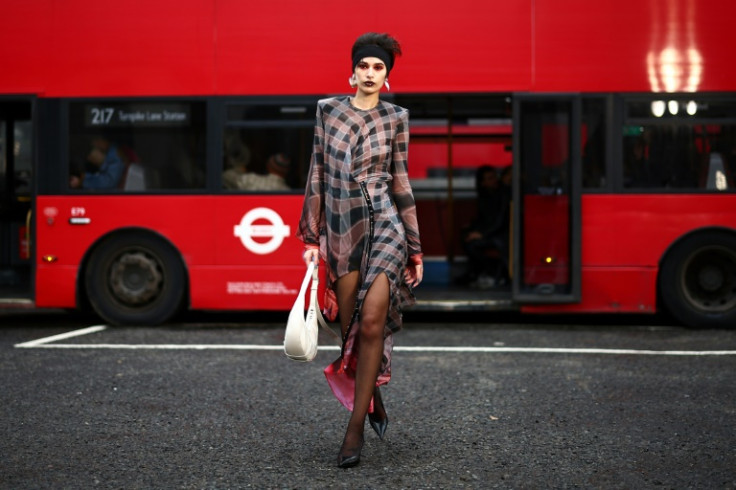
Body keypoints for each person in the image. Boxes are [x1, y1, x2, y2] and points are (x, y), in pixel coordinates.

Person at [297, 32, 423, 468]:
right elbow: (317, 171)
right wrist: (311, 237)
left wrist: (415, 248)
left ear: (387, 76)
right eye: (365, 66)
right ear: (352, 71)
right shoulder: (328, 111)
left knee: (372, 324)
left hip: (386, 224)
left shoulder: (396, 118)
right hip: (341, 226)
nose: (371, 74)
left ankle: (353, 431)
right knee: (350, 326)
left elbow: (401, 180)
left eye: (379, 68)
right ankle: (374, 399)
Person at [459, 165, 510, 288]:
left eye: (494, 177)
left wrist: (481, 233)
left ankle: (493, 272)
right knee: (466, 237)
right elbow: (483, 218)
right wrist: (472, 229)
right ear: (482, 183)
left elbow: (500, 221)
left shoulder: (503, 194)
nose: (494, 180)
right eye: (490, 178)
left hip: (502, 234)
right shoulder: (485, 196)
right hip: (491, 232)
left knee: (473, 244)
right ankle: (478, 272)